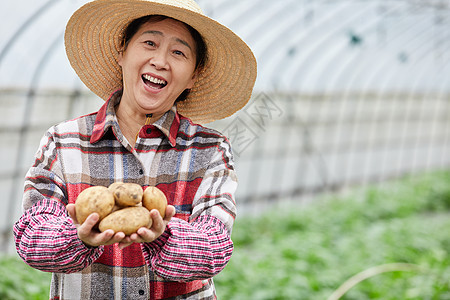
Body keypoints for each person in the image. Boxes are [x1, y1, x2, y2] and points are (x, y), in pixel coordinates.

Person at [13, 0, 257, 299]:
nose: (160, 61)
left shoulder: (210, 150)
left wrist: (162, 236)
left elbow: (214, 248)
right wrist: (79, 238)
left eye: (179, 52)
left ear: (194, 76)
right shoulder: (64, 141)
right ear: (122, 52)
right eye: (149, 43)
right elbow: (32, 239)